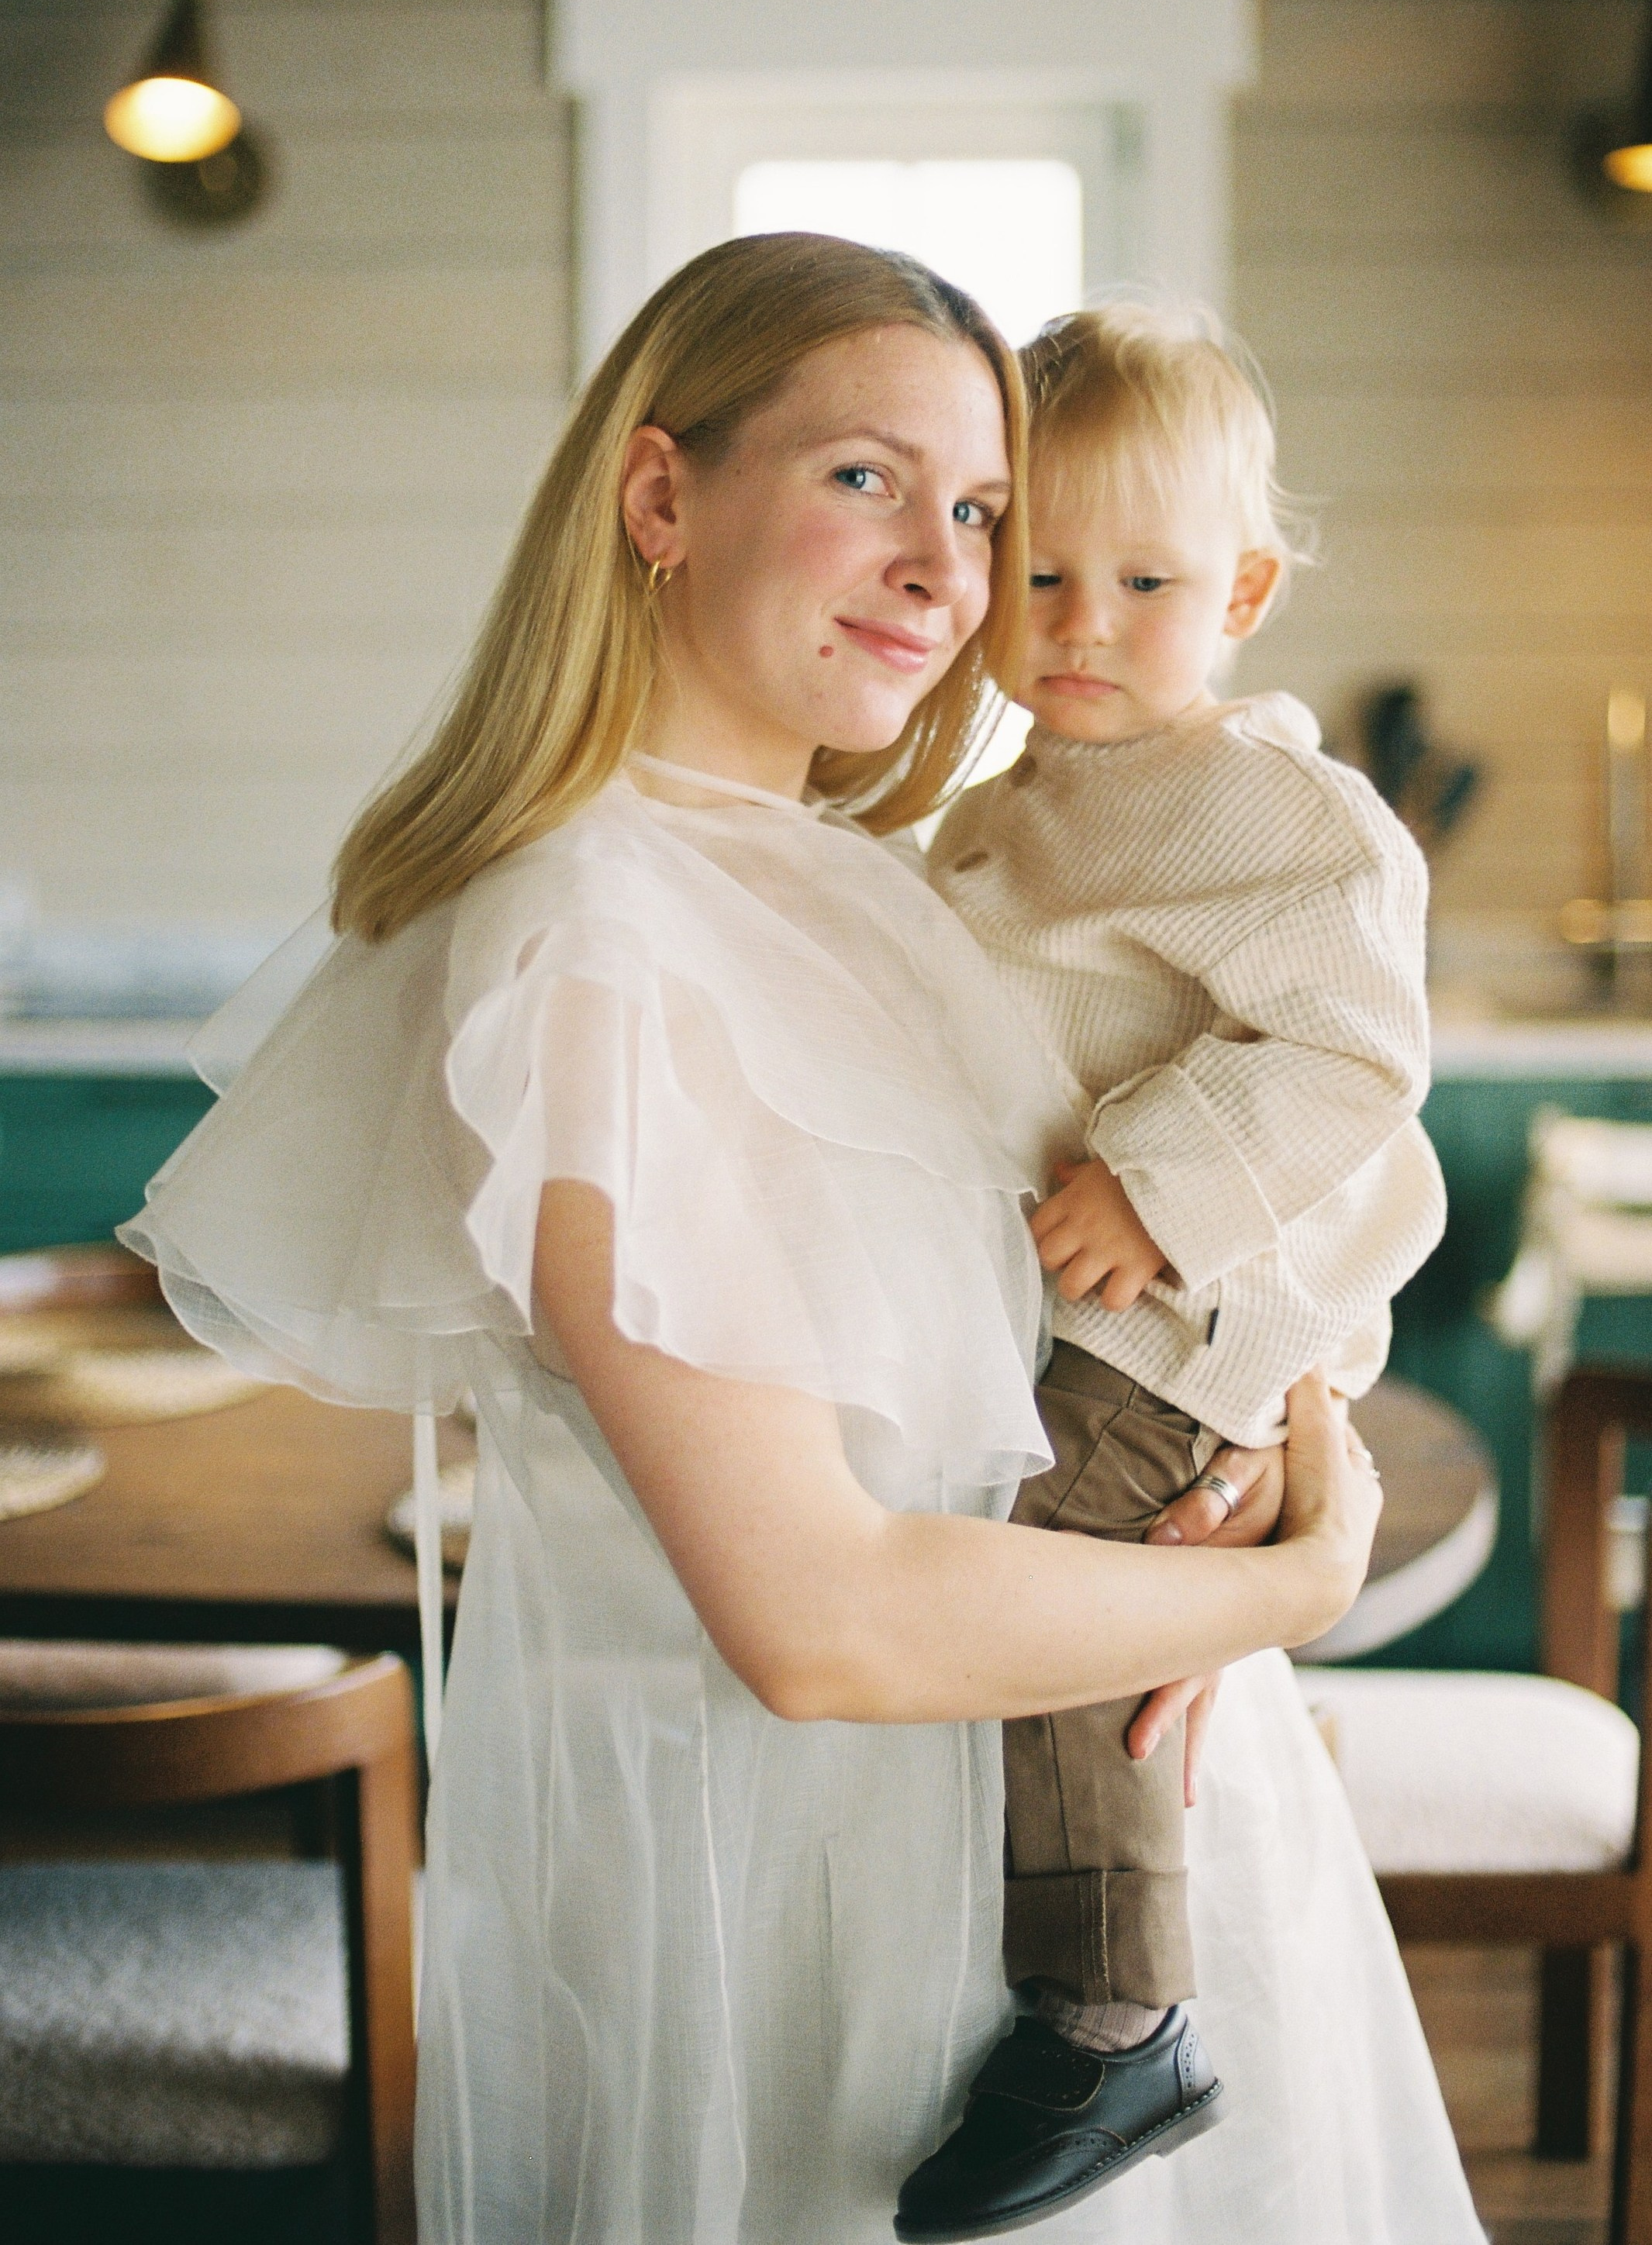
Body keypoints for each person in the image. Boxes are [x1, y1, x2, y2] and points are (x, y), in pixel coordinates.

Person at [118, 235, 1477, 2245]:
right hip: (871, 1934)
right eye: (864, 478)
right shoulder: (592, 944)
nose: (943, 567)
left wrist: (1281, 1414)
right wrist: (1296, 1577)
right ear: (659, 496)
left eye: (981, 510)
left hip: (1121, 1825)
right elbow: (819, 1618)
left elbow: (1222, 1200)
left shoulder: (882, 884)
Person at [903, 306, 1449, 2240]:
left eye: (1143, 583)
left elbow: (1356, 1055)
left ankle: (1114, 2010)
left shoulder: (1281, 812)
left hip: (1175, 1320)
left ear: (1244, 590)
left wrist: (1158, 1184)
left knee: (1065, 1574)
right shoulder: (1004, 808)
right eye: (1039, 574)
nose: (1081, 623)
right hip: (1047, 1311)